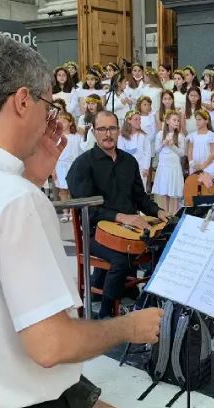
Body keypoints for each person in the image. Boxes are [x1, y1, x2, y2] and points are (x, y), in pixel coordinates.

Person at [0, 33, 162, 408]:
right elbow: (51, 345)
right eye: (48, 104)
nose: (50, 118)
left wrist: (28, 179)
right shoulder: (15, 201)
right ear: (23, 101)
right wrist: (129, 327)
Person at [68, 110, 168, 319]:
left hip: (129, 230)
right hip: (95, 233)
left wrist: (159, 211)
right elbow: (87, 210)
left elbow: (140, 198)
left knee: (163, 245)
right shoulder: (83, 165)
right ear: (94, 132)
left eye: (112, 128)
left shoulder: (129, 162)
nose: (107, 134)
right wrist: (121, 217)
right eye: (102, 129)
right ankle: (106, 314)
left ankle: (147, 301)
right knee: (120, 260)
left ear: (118, 130)